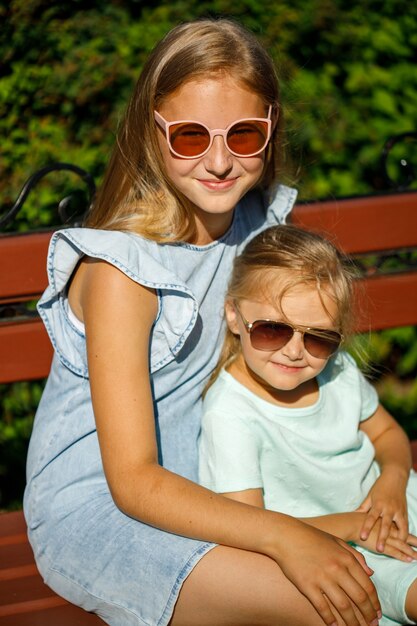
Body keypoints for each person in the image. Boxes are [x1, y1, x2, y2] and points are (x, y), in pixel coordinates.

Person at [24, 18, 382, 626]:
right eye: (190, 137)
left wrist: (384, 469)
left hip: (222, 488)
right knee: (339, 604)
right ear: (151, 133)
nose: (219, 161)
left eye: (244, 134)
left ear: (270, 130)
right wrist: (284, 536)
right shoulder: (123, 272)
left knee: (384, 580)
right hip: (108, 512)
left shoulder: (258, 227)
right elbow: (133, 481)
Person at [198, 224, 417, 626]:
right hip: (339, 549)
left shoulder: (338, 371)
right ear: (234, 314)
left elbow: (387, 434)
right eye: (272, 330)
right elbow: (248, 528)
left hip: (398, 504)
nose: (295, 351)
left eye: (319, 338)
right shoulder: (230, 414)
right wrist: (355, 525)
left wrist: (393, 478)